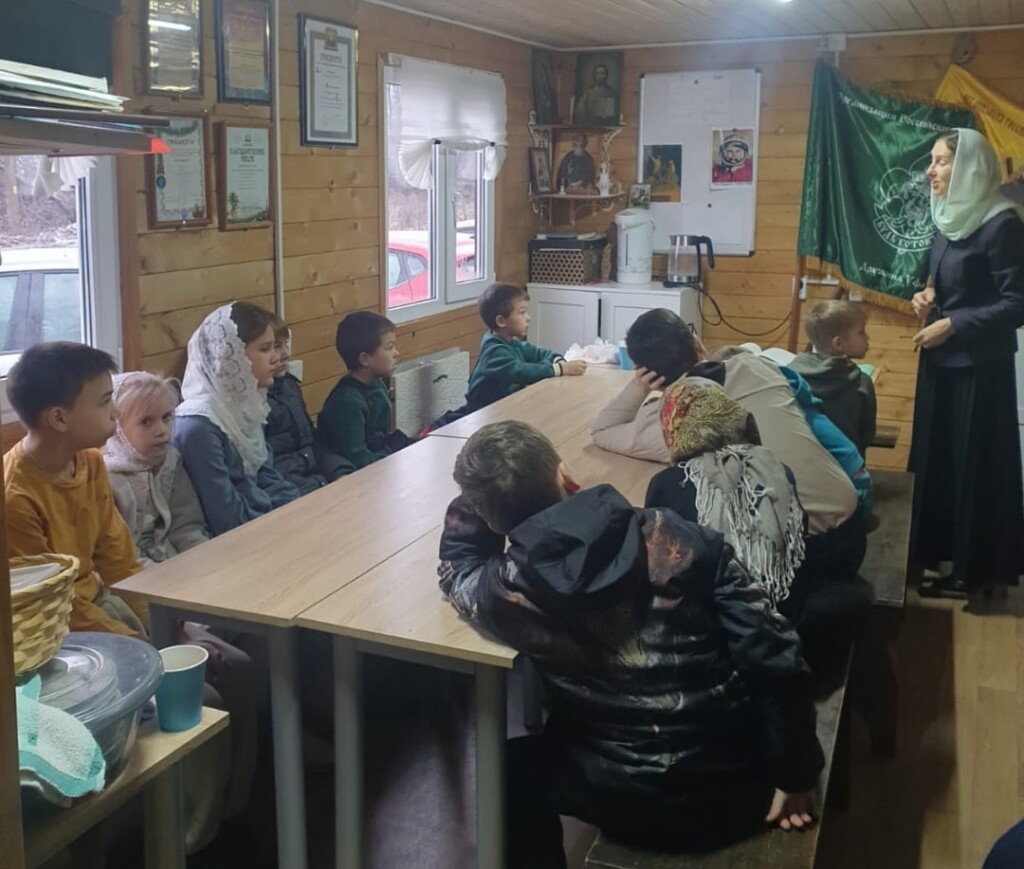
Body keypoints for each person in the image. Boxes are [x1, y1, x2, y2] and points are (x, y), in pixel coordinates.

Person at [438, 420, 823, 869]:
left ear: (489, 519)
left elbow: (457, 570)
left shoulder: (508, 590)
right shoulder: (675, 537)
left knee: (504, 768)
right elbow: (774, 653)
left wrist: (480, 501)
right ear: (566, 475)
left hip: (613, 798)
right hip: (736, 788)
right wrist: (797, 773)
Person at [909, 128, 1024, 600]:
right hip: (940, 361)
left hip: (980, 369)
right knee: (937, 462)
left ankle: (973, 572)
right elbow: (943, 284)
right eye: (932, 160)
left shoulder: (1001, 224)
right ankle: (937, 554)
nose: (929, 170)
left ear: (970, 168)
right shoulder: (947, 218)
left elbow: (1016, 305)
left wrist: (954, 324)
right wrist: (925, 297)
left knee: (973, 467)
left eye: (941, 161)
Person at [4, 342, 144, 635]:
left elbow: (119, 560)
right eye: (105, 401)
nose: (116, 411)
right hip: (50, 626)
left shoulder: (89, 461)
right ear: (59, 418)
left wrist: (163, 622)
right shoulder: (15, 498)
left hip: (97, 601)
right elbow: (49, 602)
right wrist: (135, 644)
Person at [645, 377, 806, 609]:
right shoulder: (776, 468)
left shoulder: (667, 483)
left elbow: (656, 566)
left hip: (713, 621)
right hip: (786, 612)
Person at [173, 302, 300, 536]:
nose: (276, 358)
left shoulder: (242, 405)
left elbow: (267, 476)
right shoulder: (199, 426)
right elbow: (226, 519)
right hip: (234, 541)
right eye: (265, 349)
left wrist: (294, 510)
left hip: (266, 523)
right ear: (230, 357)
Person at [104, 371, 208, 563]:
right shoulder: (107, 476)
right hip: (130, 569)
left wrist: (204, 560)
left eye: (166, 417)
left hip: (171, 558)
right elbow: (116, 554)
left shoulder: (170, 460)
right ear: (117, 428)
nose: (161, 430)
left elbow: (187, 526)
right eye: (146, 422)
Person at [461, 282, 585, 414]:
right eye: (522, 312)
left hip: (506, 407)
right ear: (501, 321)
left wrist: (558, 360)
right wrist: (561, 369)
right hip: (483, 413)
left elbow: (539, 353)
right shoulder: (494, 351)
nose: (528, 318)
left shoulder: (511, 342)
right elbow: (521, 372)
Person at [265, 318, 353, 493]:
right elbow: (268, 472)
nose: (285, 354)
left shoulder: (289, 386)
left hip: (314, 477)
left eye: (285, 344)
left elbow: (312, 440)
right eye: (275, 347)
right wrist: (317, 485)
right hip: (290, 489)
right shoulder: (249, 405)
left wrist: (339, 470)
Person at [317, 310, 410, 470]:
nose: (396, 353)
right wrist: (393, 454)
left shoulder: (376, 383)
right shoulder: (346, 403)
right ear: (364, 359)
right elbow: (358, 461)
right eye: (389, 347)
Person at [790, 300, 877, 457]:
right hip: (847, 466)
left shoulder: (790, 375)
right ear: (838, 344)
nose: (868, 337)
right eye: (861, 332)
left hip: (800, 463)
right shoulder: (861, 382)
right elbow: (867, 436)